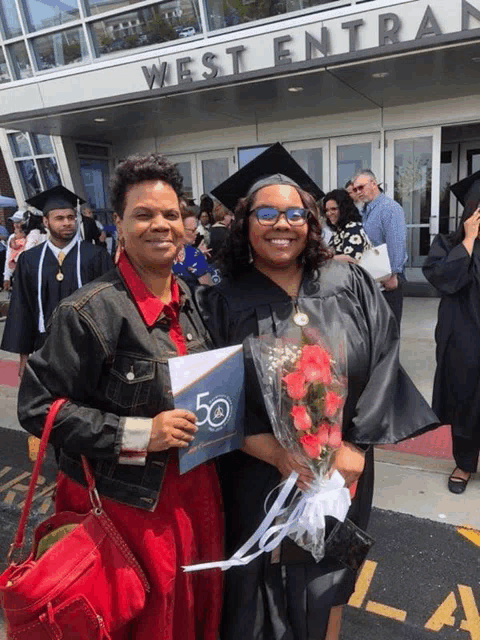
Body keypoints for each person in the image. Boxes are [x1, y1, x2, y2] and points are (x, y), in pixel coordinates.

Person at [199, 143, 437, 640]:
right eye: (266, 213)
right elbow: (211, 397)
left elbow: (383, 356)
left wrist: (351, 448)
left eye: (294, 213)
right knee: (260, 578)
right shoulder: (219, 299)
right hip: (258, 468)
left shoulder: (346, 278)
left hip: (343, 468)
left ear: (311, 222)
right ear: (244, 223)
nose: (281, 224)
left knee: (330, 569)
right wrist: (275, 452)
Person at [17, 153, 223, 640]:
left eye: (171, 214)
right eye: (144, 214)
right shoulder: (89, 311)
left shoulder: (189, 298)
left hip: (194, 495)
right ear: (119, 223)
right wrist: (139, 433)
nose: (161, 225)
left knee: (189, 616)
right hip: (125, 509)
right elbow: (38, 406)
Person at [1, 185, 112, 377]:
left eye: (71, 217)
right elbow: (22, 307)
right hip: (45, 349)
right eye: (60, 218)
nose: (67, 223)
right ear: (46, 221)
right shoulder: (30, 260)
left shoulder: (96, 256)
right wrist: (24, 358)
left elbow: (110, 306)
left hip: (89, 349)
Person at [423, 169, 480, 494]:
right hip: (463, 340)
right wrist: (469, 241)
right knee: (465, 400)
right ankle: (465, 463)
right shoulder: (446, 244)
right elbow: (446, 280)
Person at [352, 170, 407, 326]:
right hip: (372, 281)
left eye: (361, 187)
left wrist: (393, 274)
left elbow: (397, 241)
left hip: (388, 281)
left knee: (389, 332)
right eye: (355, 190)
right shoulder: (365, 211)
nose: (358, 192)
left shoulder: (389, 208)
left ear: (373, 184)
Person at [323, 189, 371, 262]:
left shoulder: (353, 228)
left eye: (333, 209)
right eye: (327, 210)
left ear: (344, 209)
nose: (329, 213)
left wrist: (324, 259)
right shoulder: (339, 229)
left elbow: (352, 259)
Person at [173, 212, 213, 288]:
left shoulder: (164, 252)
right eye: (193, 230)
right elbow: (209, 289)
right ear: (180, 230)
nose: (197, 232)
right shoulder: (195, 255)